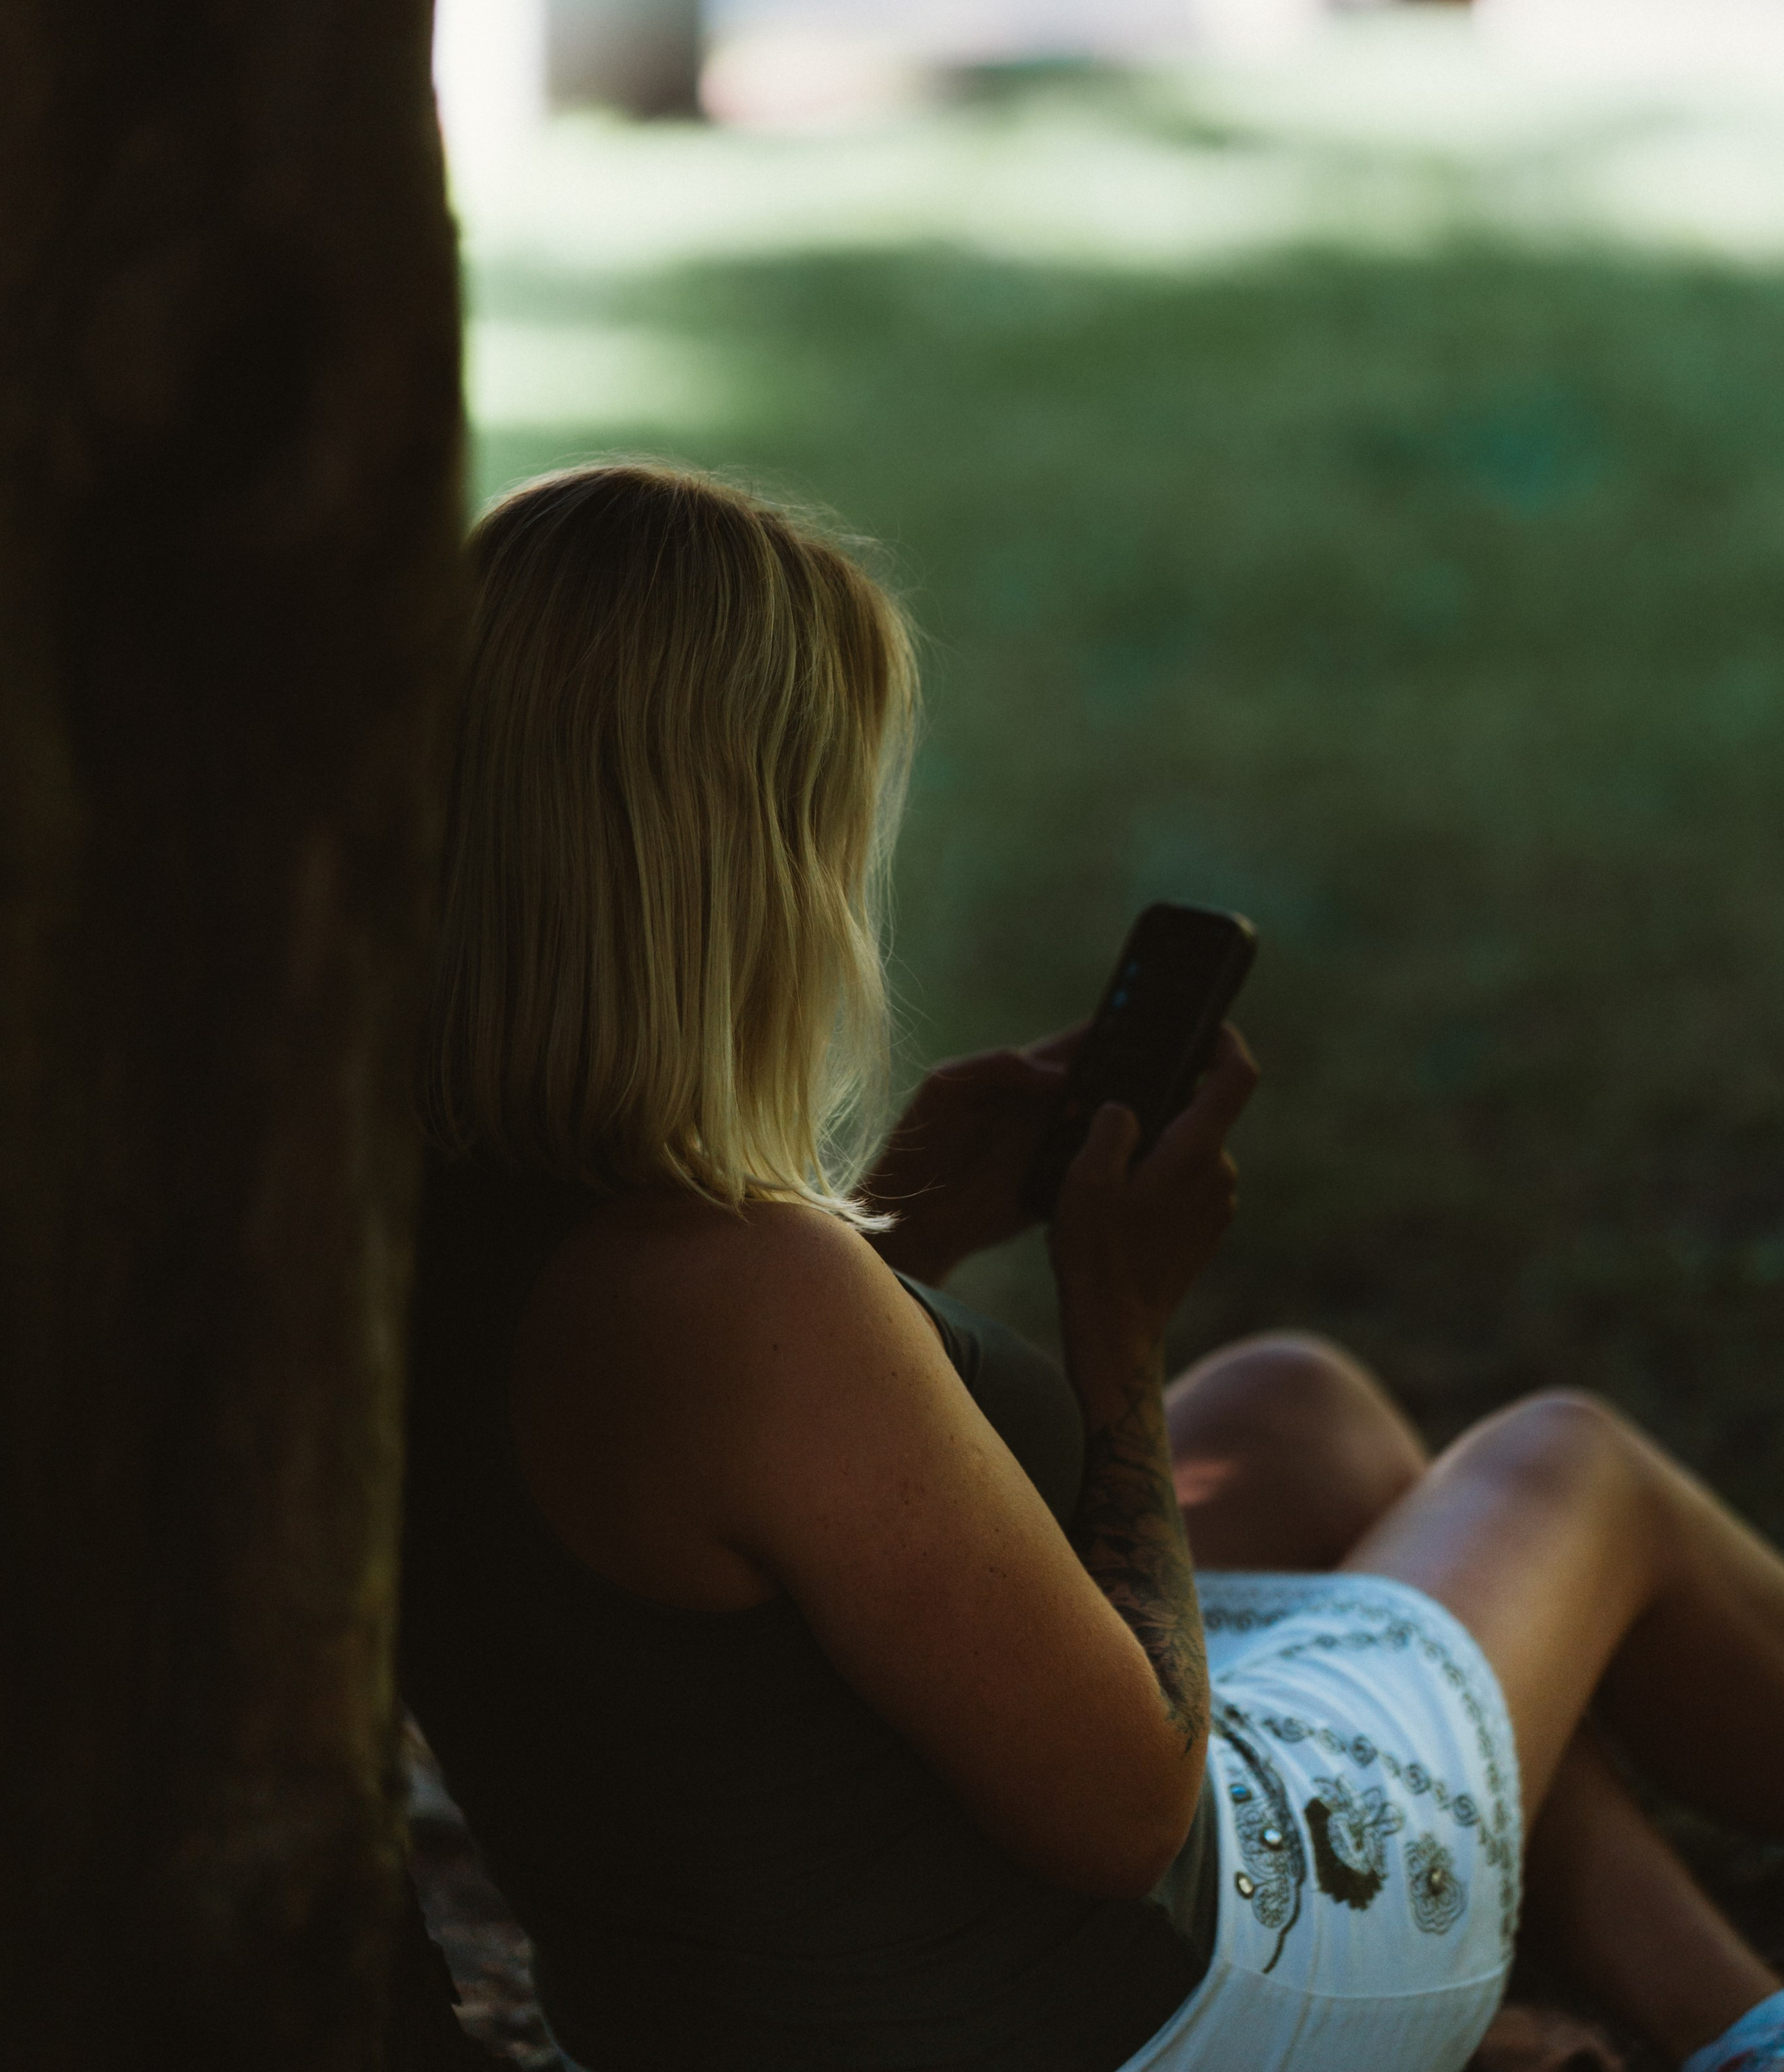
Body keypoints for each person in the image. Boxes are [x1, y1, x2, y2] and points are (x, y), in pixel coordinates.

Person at [400, 461, 1784, 2072]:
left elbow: (680, 1532)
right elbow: (1130, 1808)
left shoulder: (397, 1234)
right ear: (742, 865)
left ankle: (1724, 2030)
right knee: (1573, 1474)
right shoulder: (743, 1292)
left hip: (789, 1986)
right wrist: (1112, 1325)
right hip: (1144, 2007)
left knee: (1293, 1416)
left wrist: (899, 1222)